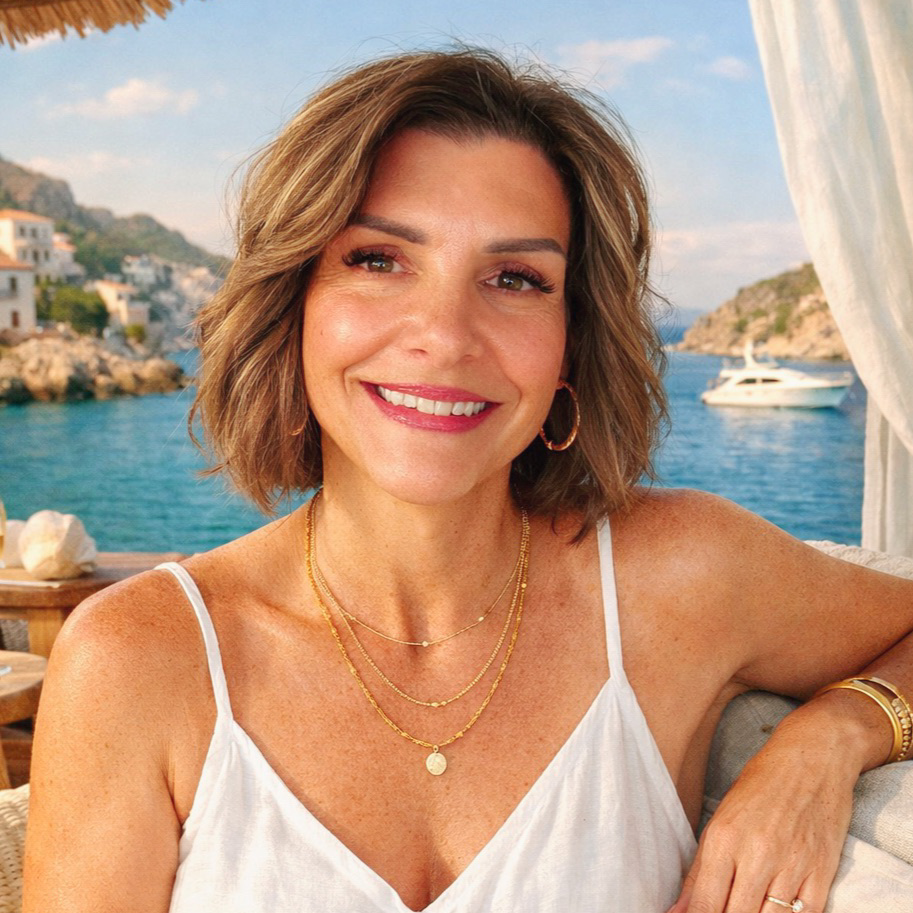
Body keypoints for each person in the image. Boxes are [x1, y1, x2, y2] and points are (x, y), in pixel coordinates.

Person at [23, 48, 913, 913]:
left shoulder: (674, 581)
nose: (444, 333)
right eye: (378, 260)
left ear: (572, 345)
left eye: (516, 277)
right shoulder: (137, 663)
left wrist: (828, 739)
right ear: (292, 304)